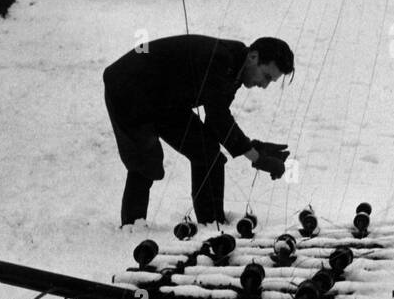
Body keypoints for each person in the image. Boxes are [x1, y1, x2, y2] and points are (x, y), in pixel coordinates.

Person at [103, 34, 294, 226]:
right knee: (145, 160)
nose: (264, 85)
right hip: (128, 88)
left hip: (165, 100)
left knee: (207, 151)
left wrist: (252, 147)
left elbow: (215, 122)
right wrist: (256, 157)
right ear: (253, 57)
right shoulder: (222, 59)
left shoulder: (235, 70)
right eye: (267, 76)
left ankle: (212, 224)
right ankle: (132, 228)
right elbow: (218, 116)